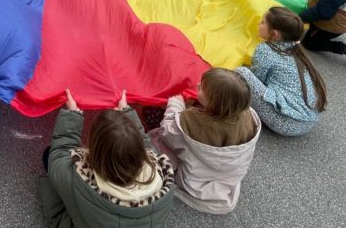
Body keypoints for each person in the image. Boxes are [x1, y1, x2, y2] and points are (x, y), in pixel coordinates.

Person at [39, 89, 175, 227]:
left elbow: (58, 156)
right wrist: (127, 113)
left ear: (95, 151)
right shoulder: (161, 177)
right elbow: (146, 146)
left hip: (89, 218)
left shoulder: (80, 181)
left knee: (49, 155)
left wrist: (72, 115)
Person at [148, 69, 260, 214]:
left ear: (215, 103)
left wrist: (176, 105)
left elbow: (167, 133)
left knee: (155, 134)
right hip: (227, 177)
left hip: (194, 183)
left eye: (202, 89)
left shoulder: (192, 121)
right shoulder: (247, 116)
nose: (197, 85)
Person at [235, 7, 327, 137]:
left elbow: (256, 80)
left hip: (287, 123)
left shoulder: (265, 50)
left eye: (262, 22)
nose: (258, 24)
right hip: (309, 122)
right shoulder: (296, 51)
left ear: (274, 34)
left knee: (241, 72)